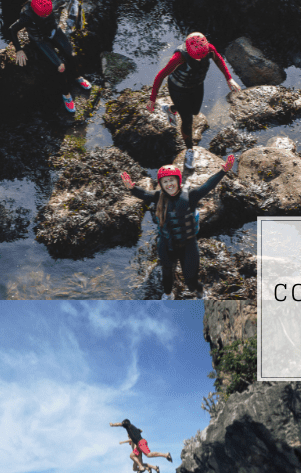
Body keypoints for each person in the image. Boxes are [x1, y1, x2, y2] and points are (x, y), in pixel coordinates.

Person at [121, 154, 235, 300]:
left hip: (188, 243)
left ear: (178, 181)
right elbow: (144, 193)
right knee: (167, 274)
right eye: (165, 181)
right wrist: (131, 188)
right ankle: (168, 295)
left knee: (191, 276)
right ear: (161, 184)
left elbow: (207, 185)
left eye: (172, 180)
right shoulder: (158, 196)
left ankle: (200, 293)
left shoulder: (191, 195)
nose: (169, 184)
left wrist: (223, 171)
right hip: (166, 243)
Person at [147, 32, 241, 169]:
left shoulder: (209, 48)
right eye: (197, 57)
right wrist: (152, 99)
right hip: (178, 88)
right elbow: (160, 76)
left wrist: (229, 78)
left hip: (196, 85)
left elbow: (219, 60)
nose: (200, 59)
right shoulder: (178, 57)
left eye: (202, 56)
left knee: (195, 110)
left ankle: (170, 109)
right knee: (187, 120)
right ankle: (190, 150)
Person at [8, 0, 91, 113]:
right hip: (40, 40)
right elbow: (12, 29)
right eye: (44, 14)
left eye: (49, 13)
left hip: (53, 31)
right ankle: (66, 95)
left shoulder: (51, 3)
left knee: (72, 55)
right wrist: (19, 49)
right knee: (60, 67)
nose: (47, 15)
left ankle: (77, 77)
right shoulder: (26, 16)